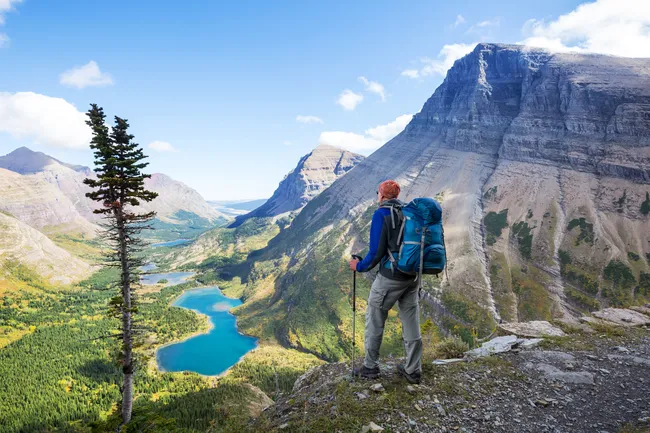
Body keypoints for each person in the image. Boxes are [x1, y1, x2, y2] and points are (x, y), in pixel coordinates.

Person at [349, 180, 422, 384]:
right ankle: (413, 369)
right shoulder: (409, 212)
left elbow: (376, 252)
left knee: (375, 318)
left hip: (390, 277)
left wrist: (359, 266)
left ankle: (370, 367)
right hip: (412, 275)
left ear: (381, 195)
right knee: (411, 319)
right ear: (397, 195)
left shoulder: (381, 214)